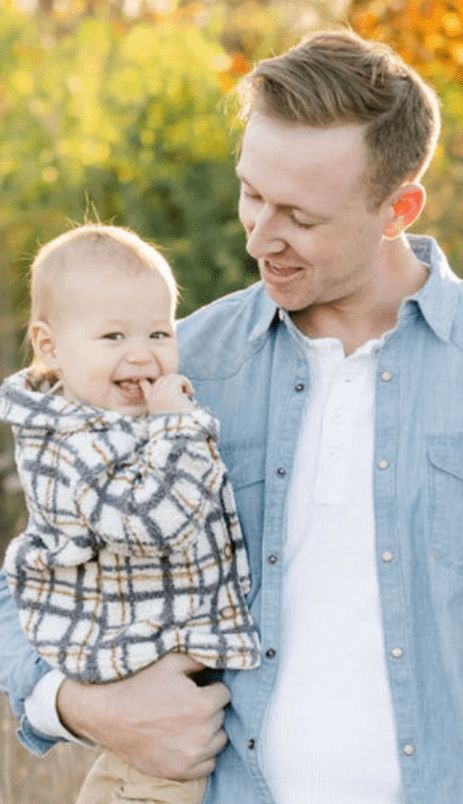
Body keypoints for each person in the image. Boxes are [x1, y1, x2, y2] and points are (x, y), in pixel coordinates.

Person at [0, 31, 463, 802]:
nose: (257, 235)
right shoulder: (172, 366)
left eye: (299, 217)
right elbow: (28, 586)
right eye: (251, 192)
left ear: (398, 208)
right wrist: (86, 708)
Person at [0, 224, 260, 804]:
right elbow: (154, 522)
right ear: (49, 346)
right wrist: (176, 425)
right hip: (138, 670)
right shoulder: (74, 443)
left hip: (160, 666)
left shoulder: (101, 420)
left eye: (159, 333)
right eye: (113, 335)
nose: (142, 354)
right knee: (147, 786)